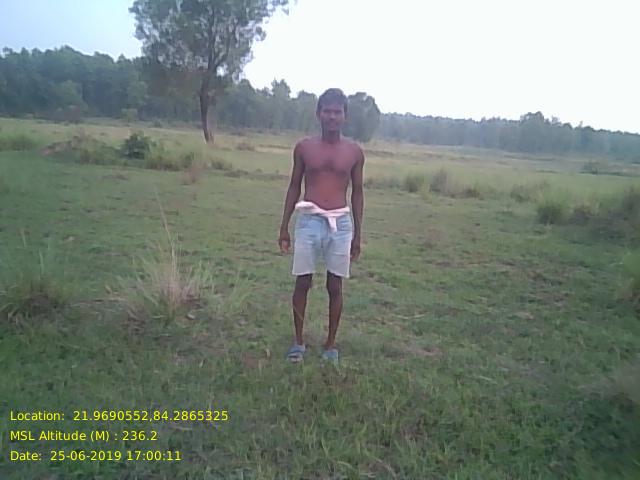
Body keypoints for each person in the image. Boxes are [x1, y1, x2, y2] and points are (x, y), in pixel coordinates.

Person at [278, 88, 365, 363]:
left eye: (337, 111)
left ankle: (330, 345)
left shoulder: (354, 152)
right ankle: (298, 342)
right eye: (327, 111)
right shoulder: (304, 148)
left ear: (345, 116)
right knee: (302, 281)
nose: (332, 116)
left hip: (341, 223)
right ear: (318, 114)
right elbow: (294, 185)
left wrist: (358, 234)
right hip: (309, 220)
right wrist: (284, 225)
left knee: (335, 285)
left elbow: (358, 192)